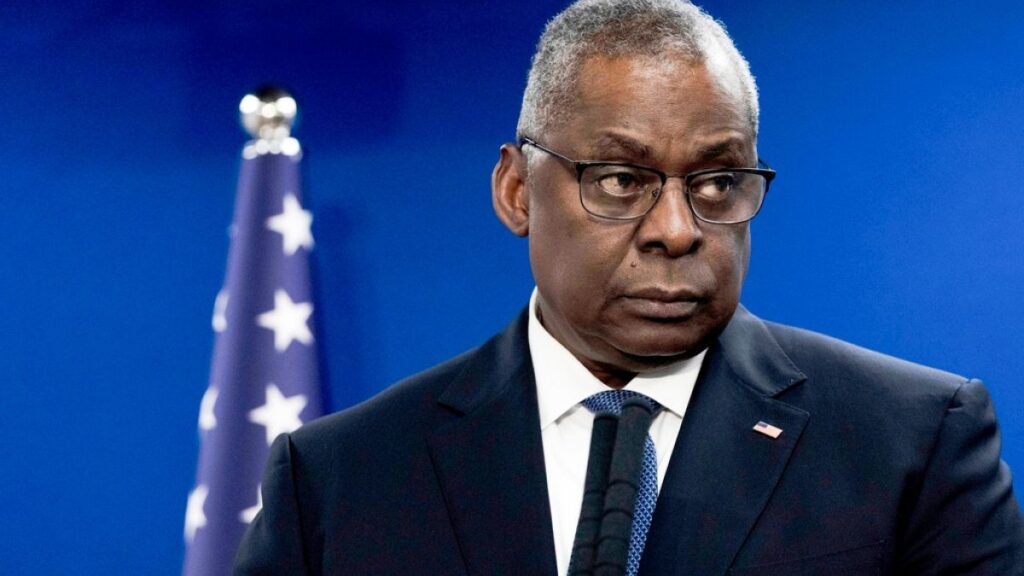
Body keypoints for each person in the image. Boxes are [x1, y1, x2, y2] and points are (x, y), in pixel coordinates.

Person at [234, 0, 1024, 574]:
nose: (677, 230)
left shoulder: (914, 442)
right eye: (619, 178)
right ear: (516, 192)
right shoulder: (339, 478)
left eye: (717, 181)